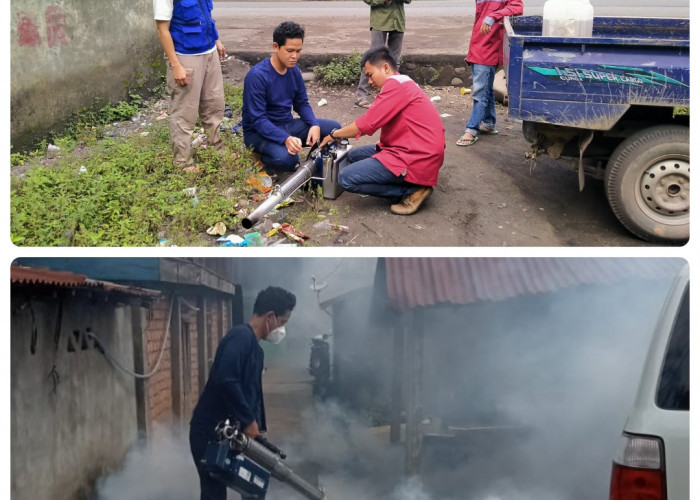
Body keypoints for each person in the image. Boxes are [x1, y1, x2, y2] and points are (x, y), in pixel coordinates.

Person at [189, 286, 297, 500]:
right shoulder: (240, 338)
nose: (281, 329)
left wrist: (257, 428)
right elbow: (226, 379)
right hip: (210, 432)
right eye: (282, 322)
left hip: (234, 433)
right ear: (270, 317)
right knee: (214, 492)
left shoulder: (255, 349)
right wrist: (248, 420)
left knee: (252, 487)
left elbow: (251, 394)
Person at [320, 46, 445, 216]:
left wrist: (333, 134)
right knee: (353, 156)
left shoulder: (395, 85)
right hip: (414, 148)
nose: (369, 82)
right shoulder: (402, 81)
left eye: (370, 75)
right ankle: (409, 183)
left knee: (345, 178)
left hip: (416, 156)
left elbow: (365, 125)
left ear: (385, 68)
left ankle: (412, 190)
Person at [242, 21, 341, 172]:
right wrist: (285, 139)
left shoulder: (293, 71)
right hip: (259, 133)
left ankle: (317, 166)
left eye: (298, 51)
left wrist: (314, 124)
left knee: (334, 129)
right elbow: (258, 120)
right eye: (290, 51)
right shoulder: (257, 76)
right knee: (288, 159)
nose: (295, 56)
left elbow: (301, 103)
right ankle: (261, 160)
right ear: (275, 47)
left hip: (287, 124)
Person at [154, 0, 226, 172]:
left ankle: (216, 149)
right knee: (185, 113)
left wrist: (216, 39)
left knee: (214, 105)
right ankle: (183, 162)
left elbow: (206, 15)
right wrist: (175, 65)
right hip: (185, 56)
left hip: (209, 52)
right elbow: (162, 30)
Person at [456, 0, 522, 147]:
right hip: (478, 46)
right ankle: (489, 123)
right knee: (486, 88)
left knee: (480, 92)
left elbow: (517, 7)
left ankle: (471, 129)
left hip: (488, 49)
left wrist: (493, 16)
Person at [355, 0, 412, 108]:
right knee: (373, 58)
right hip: (380, 22)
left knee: (395, 61)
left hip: (398, 22)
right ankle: (361, 95)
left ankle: (390, 94)